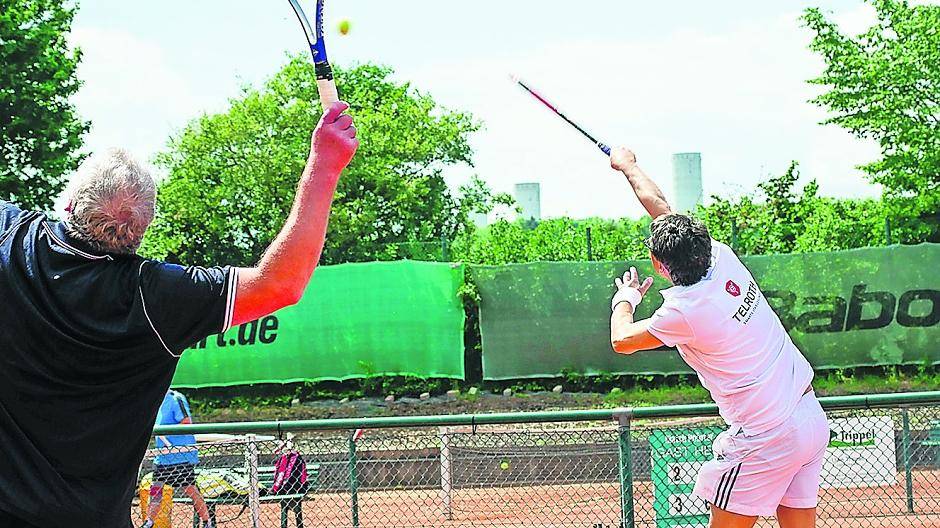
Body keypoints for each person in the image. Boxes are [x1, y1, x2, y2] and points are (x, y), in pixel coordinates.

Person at [0, 102, 358, 528]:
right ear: (143, 230)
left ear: (70, 203)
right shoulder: (158, 298)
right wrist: (325, 164)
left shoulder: (9, 237)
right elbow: (280, 283)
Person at [607, 147, 829, 528]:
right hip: (809, 418)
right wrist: (629, 166)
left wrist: (625, 299)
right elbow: (659, 204)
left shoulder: (685, 310)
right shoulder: (721, 256)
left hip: (766, 438)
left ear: (659, 266)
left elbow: (622, 340)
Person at [141, 390, 211, 528]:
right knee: (156, 489)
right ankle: (149, 522)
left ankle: (207, 522)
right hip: (163, 458)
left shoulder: (176, 398)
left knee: (190, 489)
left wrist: (166, 431)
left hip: (181, 456)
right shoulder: (156, 399)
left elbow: (186, 422)